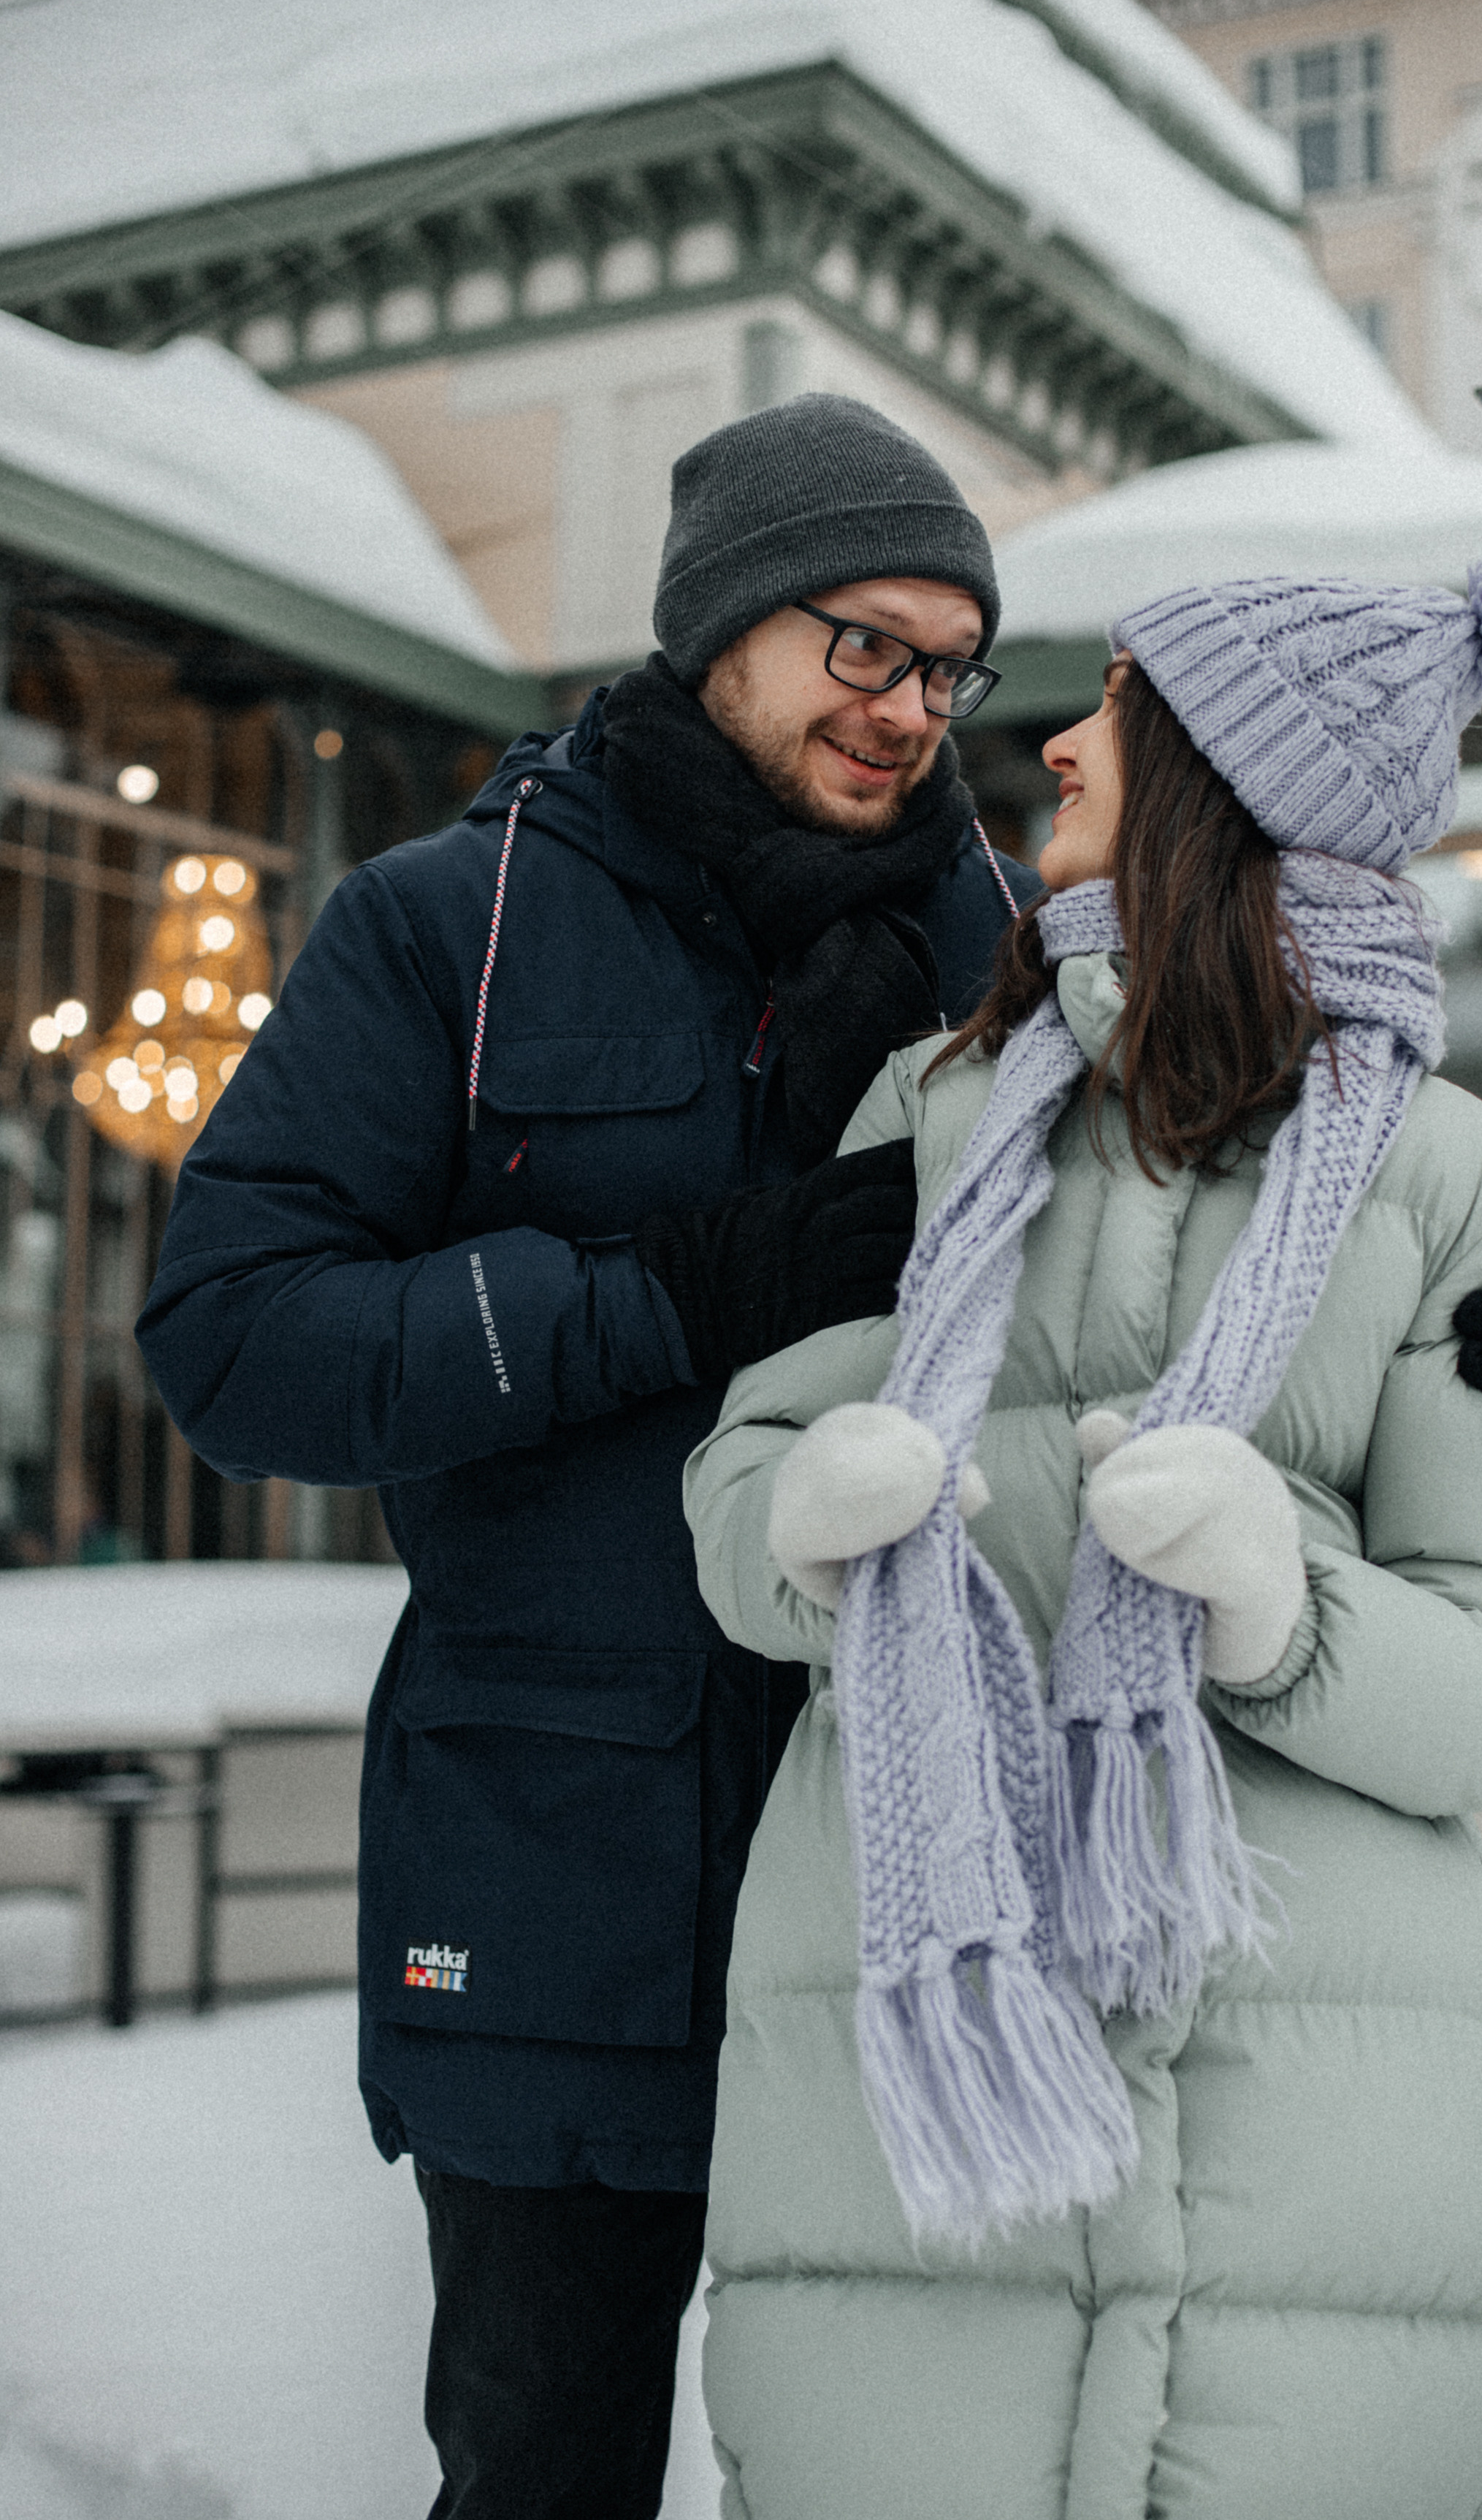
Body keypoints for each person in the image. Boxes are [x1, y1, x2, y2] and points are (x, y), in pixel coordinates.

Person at [136, 393, 1039, 2520]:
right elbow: (229, 1337)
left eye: (950, 660)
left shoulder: (999, 953)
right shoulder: (445, 925)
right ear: (723, 628)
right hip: (558, 1875)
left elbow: (1156, 1290)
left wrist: (1460, 1345)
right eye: (865, 645)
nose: (912, 706)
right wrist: (655, 1294)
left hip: (907, 1878)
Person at [682, 560, 1482, 2520]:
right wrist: (800, 1518)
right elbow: (743, 1498)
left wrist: (1287, 1602)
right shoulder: (931, 1111)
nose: (1055, 738)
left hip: (1308, 2165)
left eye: (1114, 697)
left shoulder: (1461, 1180)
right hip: (908, 2139)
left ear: (1223, 770)